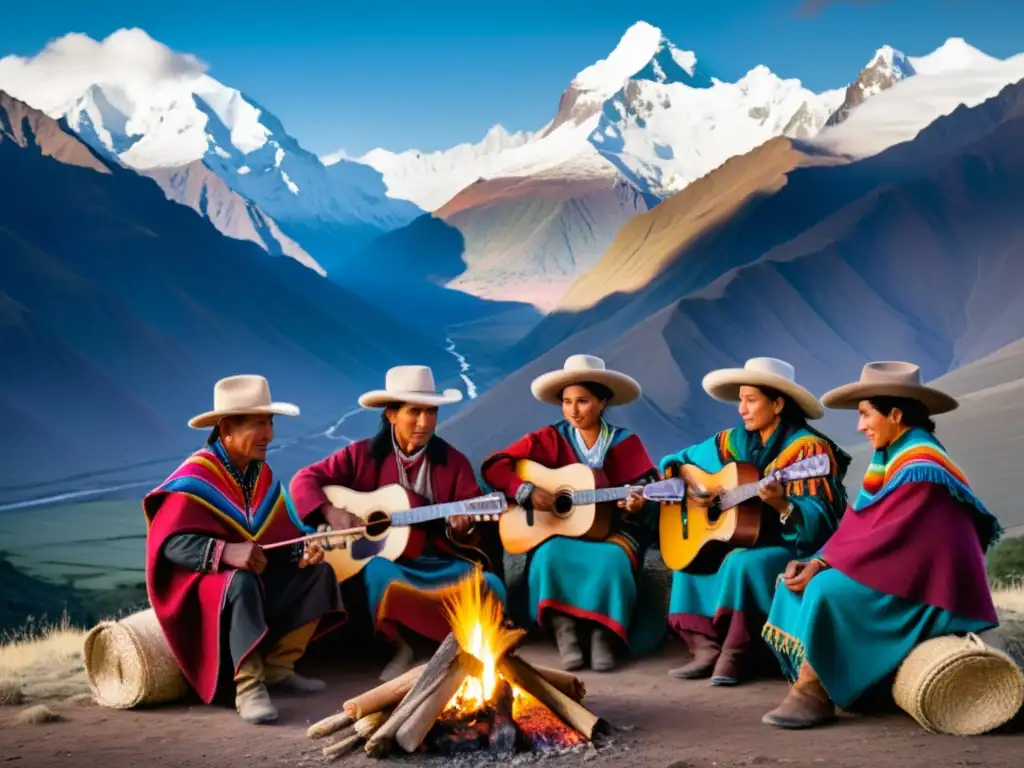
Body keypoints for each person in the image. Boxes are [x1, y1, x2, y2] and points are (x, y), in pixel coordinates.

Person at [760, 361, 1002, 729]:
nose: (860, 426)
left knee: (825, 590)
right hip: (903, 569)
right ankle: (831, 681)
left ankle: (815, 690)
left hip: (930, 588)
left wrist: (823, 568)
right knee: (797, 580)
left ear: (895, 413)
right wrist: (819, 559)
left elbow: (888, 537)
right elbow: (867, 527)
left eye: (865, 415)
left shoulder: (922, 462)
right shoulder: (894, 453)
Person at [144, 375, 346, 725]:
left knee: (319, 574)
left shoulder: (260, 475)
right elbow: (170, 544)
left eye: (270, 423)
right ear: (226, 431)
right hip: (207, 597)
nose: (269, 434)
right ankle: (248, 685)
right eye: (258, 424)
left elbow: (279, 535)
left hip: (253, 585)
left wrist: (303, 550)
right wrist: (224, 551)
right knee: (239, 580)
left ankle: (278, 667)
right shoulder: (195, 478)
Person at [289, 365, 505, 680]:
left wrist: (464, 527)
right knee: (380, 571)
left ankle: (456, 649)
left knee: (489, 585)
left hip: (437, 559)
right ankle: (403, 647)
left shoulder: (452, 461)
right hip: (386, 560)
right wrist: (330, 512)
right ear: (391, 414)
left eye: (431, 412)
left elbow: (471, 517)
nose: (424, 421)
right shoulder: (360, 455)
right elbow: (305, 478)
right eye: (414, 412)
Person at [658, 357, 850, 686]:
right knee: (686, 560)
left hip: (792, 548)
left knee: (741, 562)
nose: (741, 409)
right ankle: (703, 646)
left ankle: (738, 651)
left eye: (750, 400)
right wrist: (699, 488)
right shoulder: (731, 441)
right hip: (743, 539)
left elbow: (821, 524)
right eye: (740, 400)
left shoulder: (809, 452)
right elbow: (677, 461)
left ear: (777, 404)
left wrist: (781, 503)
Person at [480, 354, 660, 672]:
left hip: (614, 531)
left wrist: (638, 504)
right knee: (549, 555)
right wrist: (526, 490)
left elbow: (648, 487)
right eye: (566, 402)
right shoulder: (550, 438)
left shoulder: (625, 443)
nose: (573, 411)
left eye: (583, 401)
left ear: (603, 402)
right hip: (562, 529)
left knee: (613, 561)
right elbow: (495, 465)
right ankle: (565, 632)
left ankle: (602, 633)